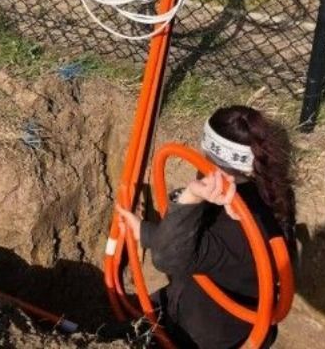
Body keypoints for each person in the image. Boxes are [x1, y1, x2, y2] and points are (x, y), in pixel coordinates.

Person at [120, 105, 296, 348]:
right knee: (134, 321)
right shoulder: (271, 191)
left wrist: (190, 197)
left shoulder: (238, 225)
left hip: (207, 333)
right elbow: (192, 247)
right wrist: (143, 230)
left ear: (206, 148)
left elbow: (169, 258)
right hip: (226, 312)